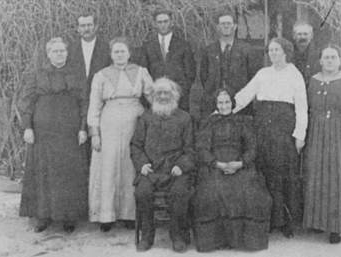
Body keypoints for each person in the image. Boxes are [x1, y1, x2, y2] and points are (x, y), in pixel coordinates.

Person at [234, 37, 308, 238]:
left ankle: (287, 222)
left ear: (286, 52)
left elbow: (302, 107)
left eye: (277, 50)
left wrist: (299, 135)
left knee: (285, 175)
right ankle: (268, 220)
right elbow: (245, 95)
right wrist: (224, 109)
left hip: (284, 129)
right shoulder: (263, 73)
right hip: (263, 128)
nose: (273, 54)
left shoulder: (295, 74)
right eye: (271, 50)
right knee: (264, 172)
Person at [18, 37, 89, 233]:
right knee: (43, 172)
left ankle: (68, 216)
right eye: (55, 51)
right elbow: (27, 102)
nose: (59, 54)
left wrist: (83, 128)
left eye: (62, 51)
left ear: (67, 53)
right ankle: (43, 215)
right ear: (48, 54)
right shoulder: (37, 74)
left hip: (69, 130)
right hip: (44, 132)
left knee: (68, 173)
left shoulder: (76, 73)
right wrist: (27, 127)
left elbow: (84, 102)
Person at [87, 37, 153, 232]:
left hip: (135, 122)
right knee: (108, 165)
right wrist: (95, 133)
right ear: (111, 54)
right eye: (116, 52)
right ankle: (106, 215)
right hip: (109, 124)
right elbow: (94, 106)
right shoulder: (101, 75)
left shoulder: (141, 72)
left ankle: (129, 214)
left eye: (123, 51)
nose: (119, 55)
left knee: (130, 166)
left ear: (129, 53)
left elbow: (152, 96)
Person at [193, 88, 272, 252]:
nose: (224, 106)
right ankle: (215, 241)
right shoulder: (208, 123)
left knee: (249, 191)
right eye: (220, 103)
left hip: (240, 164)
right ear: (215, 105)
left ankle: (244, 242)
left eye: (227, 102)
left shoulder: (243, 122)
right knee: (211, 191)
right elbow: (202, 149)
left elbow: (252, 147)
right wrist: (216, 163)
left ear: (232, 103)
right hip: (215, 165)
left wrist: (241, 163)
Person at [303, 45, 341, 244]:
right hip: (316, 133)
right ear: (320, 60)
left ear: (339, 60)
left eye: (333, 57)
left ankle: (336, 228)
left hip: (339, 134)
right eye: (326, 57)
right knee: (317, 176)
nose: (329, 60)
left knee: (336, 178)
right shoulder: (313, 81)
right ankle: (318, 222)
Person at [131, 78, 195, 252]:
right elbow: (136, 145)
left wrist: (182, 165)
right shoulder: (146, 117)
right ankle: (147, 235)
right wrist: (142, 164)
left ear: (174, 95)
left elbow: (190, 149)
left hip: (175, 169)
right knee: (142, 192)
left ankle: (177, 235)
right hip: (151, 169)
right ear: (153, 96)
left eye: (166, 92)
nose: (163, 96)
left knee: (180, 192)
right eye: (159, 93)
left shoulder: (184, 118)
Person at [67, 12, 111, 163]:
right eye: (82, 25)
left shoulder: (106, 48)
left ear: (96, 26)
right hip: (76, 102)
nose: (86, 28)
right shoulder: (70, 49)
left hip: (100, 103)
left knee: (98, 144)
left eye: (89, 25)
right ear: (78, 28)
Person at [138, 9, 196, 112]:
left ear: (171, 22)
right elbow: (144, 73)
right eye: (159, 22)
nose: (163, 25)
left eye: (166, 21)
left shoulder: (183, 45)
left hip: (179, 98)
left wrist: (179, 92)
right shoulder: (148, 46)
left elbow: (190, 73)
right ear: (155, 24)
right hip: (155, 98)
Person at [200, 12, 254, 120]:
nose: (226, 26)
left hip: (239, 103)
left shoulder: (246, 49)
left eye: (228, 23)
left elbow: (252, 76)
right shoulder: (209, 50)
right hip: (214, 102)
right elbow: (204, 76)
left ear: (235, 26)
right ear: (218, 27)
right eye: (223, 24)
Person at [292, 21, 321, 88]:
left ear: (311, 36)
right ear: (294, 36)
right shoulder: (288, 53)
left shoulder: (318, 54)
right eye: (299, 34)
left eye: (305, 34)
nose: (302, 37)